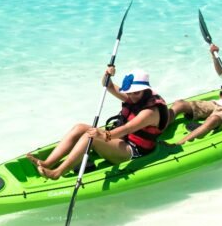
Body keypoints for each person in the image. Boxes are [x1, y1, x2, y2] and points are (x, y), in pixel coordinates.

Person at [27, 66, 174, 180]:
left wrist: (103, 134)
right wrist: (107, 74)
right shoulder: (135, 97)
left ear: (145, 90)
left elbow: (127, 128)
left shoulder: (150, 112)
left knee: (90, 137)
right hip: (121, 140)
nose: (132, 96)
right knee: (79, 128)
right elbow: (108, 86)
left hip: (134, 151)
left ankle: (56, 173)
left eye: (136, 92)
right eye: (129, 92)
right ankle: (47, 163)